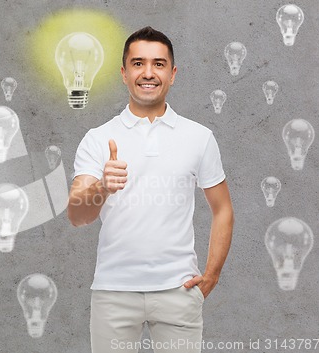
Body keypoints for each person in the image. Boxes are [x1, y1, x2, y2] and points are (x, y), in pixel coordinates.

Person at [67, 26, 234, 353]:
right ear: (124, 73)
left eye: (158, 64)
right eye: (138, 63)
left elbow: (222, 208)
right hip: (114, 293)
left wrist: (211, 276)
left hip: (178, 291)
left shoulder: (199, 137)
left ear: (173, 74)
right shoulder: (98, 138)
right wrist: (103, 186)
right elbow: (76, 215)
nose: (148, 73)